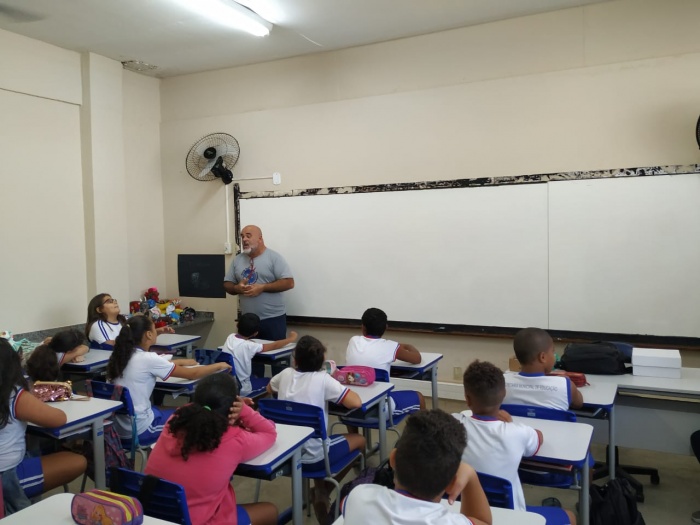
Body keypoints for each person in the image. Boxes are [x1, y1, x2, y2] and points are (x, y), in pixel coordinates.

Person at [146, 373, 278, 525]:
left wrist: (228, 408)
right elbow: (269, 432)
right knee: (270, 511)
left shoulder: (175, 420)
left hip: (155, 516)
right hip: (198, 520)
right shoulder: (235, 440)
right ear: (233, 405)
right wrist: (246, 413)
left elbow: (193, 409)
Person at [455, 359, 576, 525]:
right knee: (570, 517)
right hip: (511, 516)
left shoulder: (452, 427)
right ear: (504, 394)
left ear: (467, 399)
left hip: (465, 513)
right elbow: (538, 438)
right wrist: (511, 424)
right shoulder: (517, 432)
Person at [266, 335, 365, 523]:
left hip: (284, 456)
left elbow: (269, 388)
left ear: (295, 361)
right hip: (316, 459)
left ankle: (319, 490)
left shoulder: (285, 374)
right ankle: (323, 491)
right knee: (359, 442)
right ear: (321, 362)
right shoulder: (324, 380)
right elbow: (356, 402)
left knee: (316, 441)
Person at [342, 409, 492, 525]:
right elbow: (483, 522)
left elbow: (344, 505)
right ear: (452, 483)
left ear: (393, 459)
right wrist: (471, 475)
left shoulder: (359, 497)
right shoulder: (451, 522)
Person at [106, 315, 231, 446]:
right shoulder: (148, 359)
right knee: (192, 416)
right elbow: (192, 374)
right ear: (148, 334)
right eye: (154, 329)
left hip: (118, 427)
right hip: (140, 429)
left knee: (172, 409)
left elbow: (155, 365)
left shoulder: (120, 356)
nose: (156, 332)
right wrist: (218, 365)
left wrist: (180, 362)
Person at [0, 339, 87, 516]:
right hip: (7, 475)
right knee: (78, 461)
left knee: (33, 447)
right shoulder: (13, 395)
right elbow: (59, 419)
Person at [345, 307, 425, 424]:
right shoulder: (390, 346)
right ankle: (425, 434)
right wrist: (409, 346)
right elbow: (417, 359)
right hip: (379, 411)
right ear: (386, 328)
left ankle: (355, 435)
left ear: (363, 327)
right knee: (419, 397)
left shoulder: (353, 341)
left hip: (349, 410)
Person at [223, 225, 294, 341]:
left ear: (260, 238)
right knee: (247, 352)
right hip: (247, 321)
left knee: (273, 351)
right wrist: (236, 288)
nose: (244, 239)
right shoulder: (238, 260)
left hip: (272, 319)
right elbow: (227, 284)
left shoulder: (274, 258)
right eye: (242, 236)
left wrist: (263, 287)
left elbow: (289, 283)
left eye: (248, 236)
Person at [503, 327, 583, 410]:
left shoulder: (501, 383)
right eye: (553, 351)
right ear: (543, 357)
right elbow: (579, 404)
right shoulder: (565, 385)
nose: (554, 356)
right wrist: (563, 382)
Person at [220, 312, 297, 397]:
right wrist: (291, 339)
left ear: (237, 325)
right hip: (243, 388)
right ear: (256, 333)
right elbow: (274, 345)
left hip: (227, 385)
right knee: (273, 382)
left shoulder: (230, 337)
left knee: (255, 376)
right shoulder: (249, 346)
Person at [86, 293, 174, 348]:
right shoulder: (98, 325)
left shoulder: (123, 320)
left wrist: (159, 331)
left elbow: (139, 336)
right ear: (99, 309)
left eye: (114, 300)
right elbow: (109, 345)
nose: (115, 302)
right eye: (109, 301)